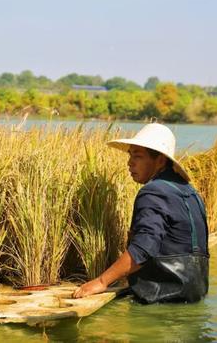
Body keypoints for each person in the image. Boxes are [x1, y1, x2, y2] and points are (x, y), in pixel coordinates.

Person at [72, 123, 209, 303]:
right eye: (130, 155)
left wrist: (101, 281)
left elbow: (144, 248)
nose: (130, 162)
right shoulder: (191, 192)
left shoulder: (153, 191)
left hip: (162, 300)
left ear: (160, 160)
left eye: (138, 156)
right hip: (194, 296)